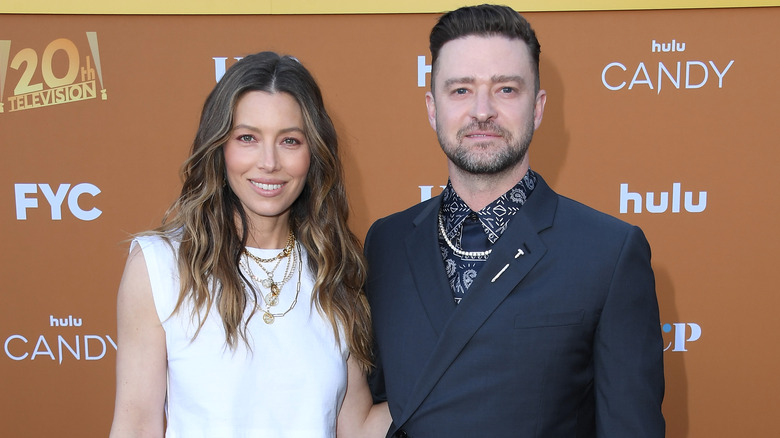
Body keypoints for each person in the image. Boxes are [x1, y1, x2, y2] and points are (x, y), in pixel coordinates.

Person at [364, 5, 665, 438]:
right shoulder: (386, 243)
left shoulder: (608, 253)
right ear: (432, 108)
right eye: (461, 90)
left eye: (505, 89)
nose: (482, 111)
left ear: (538, 107)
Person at [109, 51, 390, 437]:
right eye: (247, 138)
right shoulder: (160, 265)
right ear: (219, 147)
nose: (269, 162)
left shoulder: (334, 271)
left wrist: (458, 377)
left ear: (314, 153)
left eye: (290, 140)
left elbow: (355, 428)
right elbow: (136, 425)